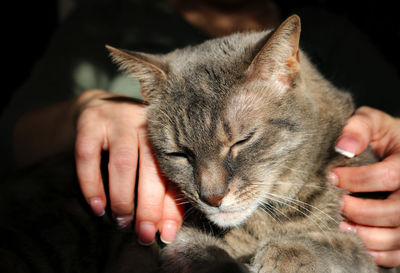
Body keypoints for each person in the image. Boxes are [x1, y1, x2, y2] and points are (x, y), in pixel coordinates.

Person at [1, 0, 399, 268]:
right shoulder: (112, 14)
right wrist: (85, 106)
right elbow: (10, 136)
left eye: (240, 142)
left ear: (286, 71)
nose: (211, 191)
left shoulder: (333, 33)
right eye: (184, 155)